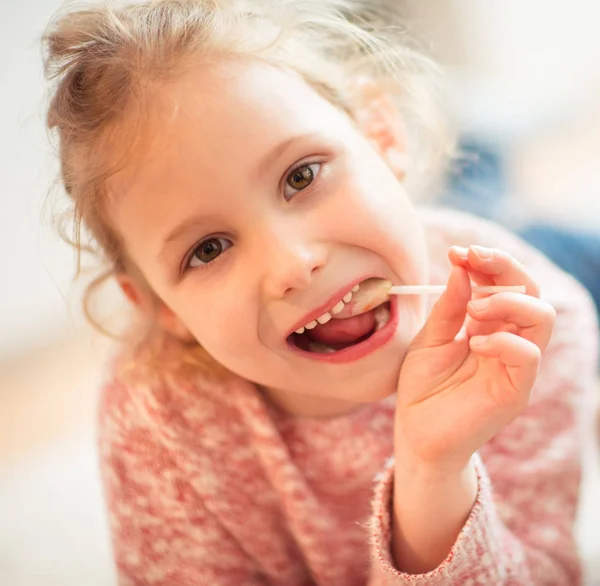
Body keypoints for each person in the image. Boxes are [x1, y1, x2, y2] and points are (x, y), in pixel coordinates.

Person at [42, 1, 598, 584]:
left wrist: (436, 478)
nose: (294, 263)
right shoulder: (157, 412)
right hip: (392, 249)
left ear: (382, 134)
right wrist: (429, 467)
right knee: (478, 180)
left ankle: (487, 146)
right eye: (209, 248)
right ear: (161, 308)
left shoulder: (538, 333)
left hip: (528, 247)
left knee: (525, 216)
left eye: (300, 176)